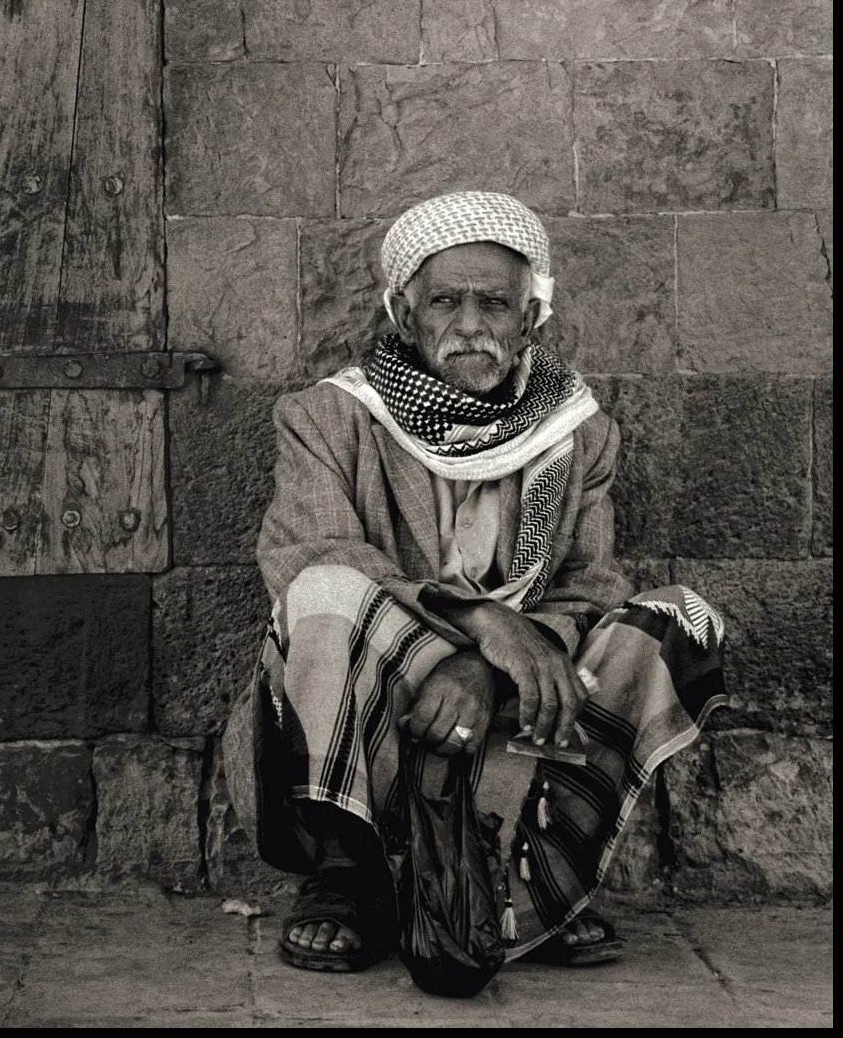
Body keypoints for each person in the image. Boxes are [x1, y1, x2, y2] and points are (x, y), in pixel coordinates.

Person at [222, 190, 726, 987]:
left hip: (516, 696)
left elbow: (588, 587)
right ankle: (348, 872)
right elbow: (306, 555)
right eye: (443, 302)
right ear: (401, 314)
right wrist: (479, 623)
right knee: (321, 591)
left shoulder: (580, 432)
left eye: (493, 303)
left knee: (677, 621)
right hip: (384, 698)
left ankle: (536, 888)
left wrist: (491, 667)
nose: (468, 324)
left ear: (531, 320)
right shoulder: (327, 418)